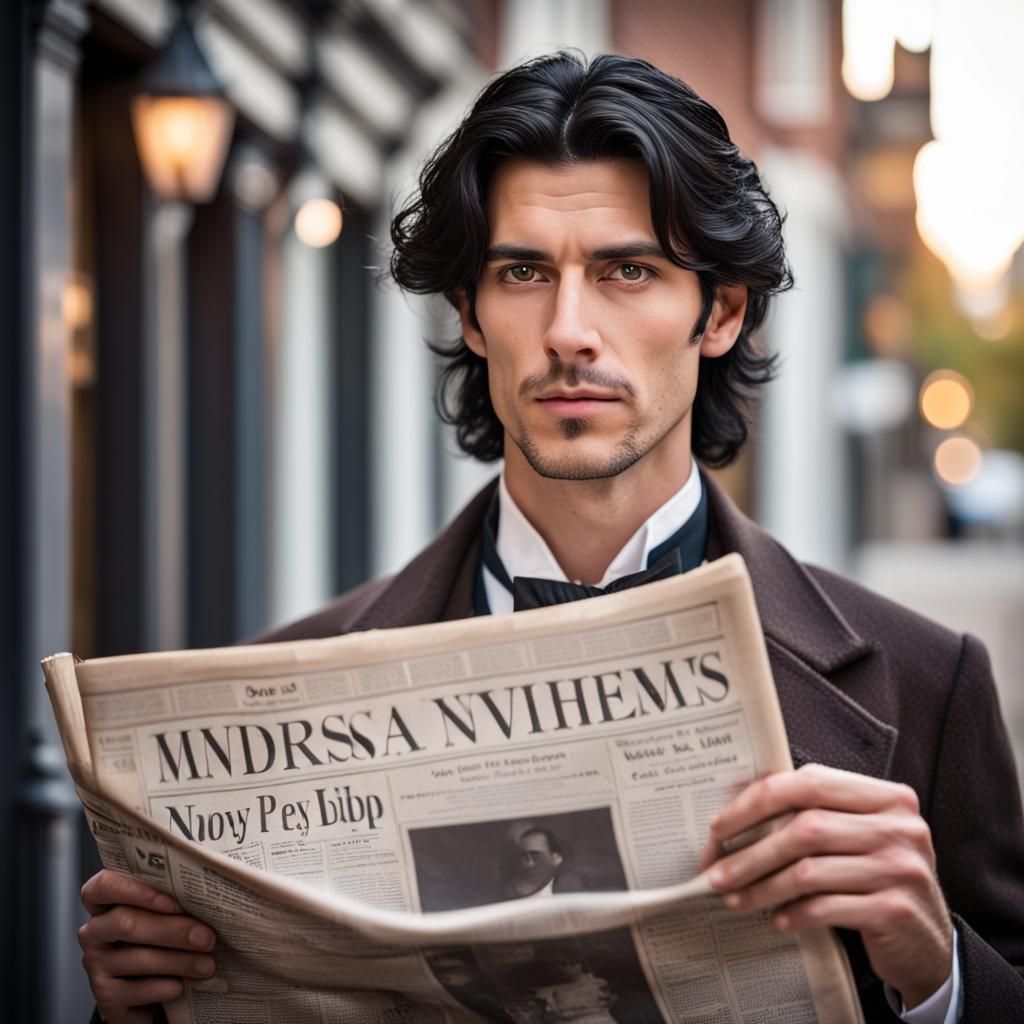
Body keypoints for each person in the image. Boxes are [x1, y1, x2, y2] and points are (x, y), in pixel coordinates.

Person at [78, 51, 1024, 1023]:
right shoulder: (272, 692)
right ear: (471, 315)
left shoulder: (927, 681)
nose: (568, 329)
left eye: (626, 269)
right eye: (524, 271)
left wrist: (939, 974)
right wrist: (139, 1007)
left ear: (721, 310)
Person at [501, 828, 588, 899]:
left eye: (536, 857)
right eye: (525, 857)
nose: (529, 863)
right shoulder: (511, 890)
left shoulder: (570, 886)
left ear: (556, 858)